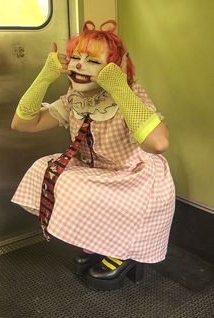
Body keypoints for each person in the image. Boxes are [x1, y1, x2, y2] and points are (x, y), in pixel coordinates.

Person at [11, 20, 175, 291]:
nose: (79, 65)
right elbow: (23, 124)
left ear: (113, 67)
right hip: (97, 171)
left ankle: (123, 251)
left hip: (133, 175)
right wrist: (44, 76)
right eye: (76, 57)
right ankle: (97, 240)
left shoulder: (130, 95)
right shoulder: (75, 98)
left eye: (93, 61)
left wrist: (120, 88)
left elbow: (158, 144)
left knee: (79, 186)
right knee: (46, 168)